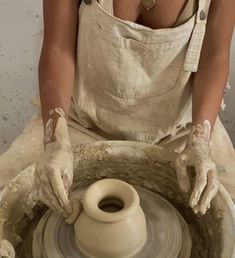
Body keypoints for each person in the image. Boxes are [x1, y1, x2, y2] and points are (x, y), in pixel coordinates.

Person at [1, 0, 235, 224]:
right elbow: (58, 47)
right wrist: (55, 141)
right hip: (79, 124)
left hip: (181, 132)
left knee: (227, 210)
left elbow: (214, 56)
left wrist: (200, 142)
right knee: (10, 196)